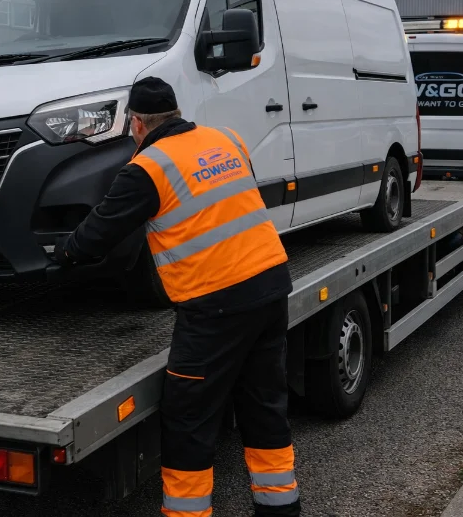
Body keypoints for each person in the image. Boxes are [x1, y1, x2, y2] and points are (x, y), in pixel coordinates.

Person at [54, 77, 300, 516]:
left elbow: (102, 230)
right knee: (264, 406)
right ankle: (280, 508)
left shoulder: (148, 167)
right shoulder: (225, 138)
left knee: (190, 419)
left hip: (215, 306)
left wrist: (66, 251)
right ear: (175, 112)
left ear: (136, 123)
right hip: (270, 285)